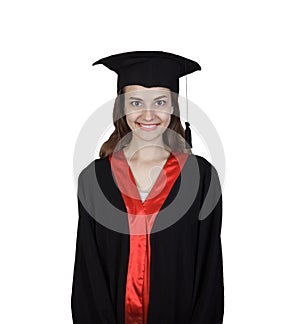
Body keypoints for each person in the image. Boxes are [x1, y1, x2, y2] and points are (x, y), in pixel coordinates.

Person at [71, 51, 224, 324]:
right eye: (136, 102)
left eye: (160, 102)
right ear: (122, 107)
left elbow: (209, 273)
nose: (148, 114)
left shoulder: (201, 178)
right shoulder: (94, 179)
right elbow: (88, 275)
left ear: (173, 107)